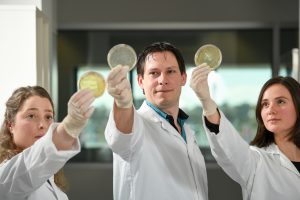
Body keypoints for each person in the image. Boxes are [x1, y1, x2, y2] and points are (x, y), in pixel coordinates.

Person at [105, 42, 208, 200]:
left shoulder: (186, 129)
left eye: (170, 71)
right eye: (154, 73)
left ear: (183, 78)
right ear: (140, 81)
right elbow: (121, 137)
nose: (162, 80)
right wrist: (122, 103)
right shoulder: (137, 125)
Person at [190, 64, 300, 200]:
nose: (271, 110)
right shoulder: (256, 161)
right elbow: (229, 146)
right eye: (265, 104)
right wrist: (206, 101)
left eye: (281, 101)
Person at [0, 86, 95, 200]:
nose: (42, 125)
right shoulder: (6, 176)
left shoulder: (50, 178)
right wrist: (69, 127)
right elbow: (29, 166)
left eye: (48, 117)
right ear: (10, 125)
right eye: (31, 116)